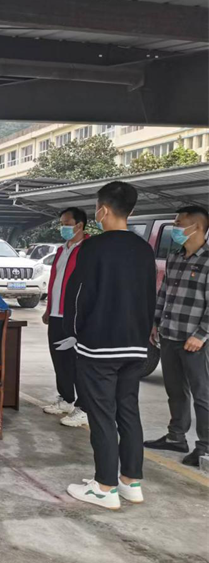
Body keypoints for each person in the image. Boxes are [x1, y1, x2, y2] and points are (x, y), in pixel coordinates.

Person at [62, 182, 156, 510]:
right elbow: (150, 297)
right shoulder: (144, 249)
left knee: (102, 414)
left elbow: (78, 295)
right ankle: (131, 482)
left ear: (102, 210)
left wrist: (76, 333)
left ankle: (104, 486)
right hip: (135, 345)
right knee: (128, 411)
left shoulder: (93, 248)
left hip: (99, 346)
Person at [144, 206, 209, 468]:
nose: (175, 228)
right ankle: (176, 437)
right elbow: (164, 293)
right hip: (170, 333)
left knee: (202, 394)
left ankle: (205, 447)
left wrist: (201, 335)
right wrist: (156, 321)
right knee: (175, 390)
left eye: (179, 224)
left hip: (196, 340)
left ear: (197, 227)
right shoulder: (175, 257)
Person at [42, 207, 90, 428]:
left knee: (78, 361)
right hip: (56, 313)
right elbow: (55, 281)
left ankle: (84, 407)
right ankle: (66, 399)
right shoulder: (62, 250)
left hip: (76, 315)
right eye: (61, 224)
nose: (63, 228)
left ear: (79, 225)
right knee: (59, 358)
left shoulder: (89, 249)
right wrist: (48, 308)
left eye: (66, 224)